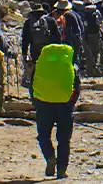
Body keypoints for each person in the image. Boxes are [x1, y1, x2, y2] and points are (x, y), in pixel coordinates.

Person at [30, 35, 81, 178]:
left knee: (43, 135)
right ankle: (61, 170)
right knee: (64, 139)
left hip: (44, 104)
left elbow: (32, 85)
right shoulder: (71, 66)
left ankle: (50, 158)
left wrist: (37, 103)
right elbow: (76, 87)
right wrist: (70, 104)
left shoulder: (41, 63)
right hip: (64, 105)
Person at [21, 4, 61, 102]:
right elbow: (58, 37)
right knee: (50, 73)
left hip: (35, 53)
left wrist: (24, 54)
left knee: (35, 75)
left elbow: (25, 40)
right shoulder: (51, 21)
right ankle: (51, 94)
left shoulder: (28, 23)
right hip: (50, 53)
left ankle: (35, 97)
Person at [76, 0, 103, 75]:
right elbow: (102, 24)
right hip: (96, 34)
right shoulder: (96, 12)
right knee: (97, 51)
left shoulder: (82, 12)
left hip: (85, 34)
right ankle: (97, 69)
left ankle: (89, 70)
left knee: (88, 52)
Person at [52, 0, 86, 71]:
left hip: (65, 42)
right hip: (74, 42)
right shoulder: (74, 14)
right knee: (74, 61)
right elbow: (80, 29)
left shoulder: (59, 15)